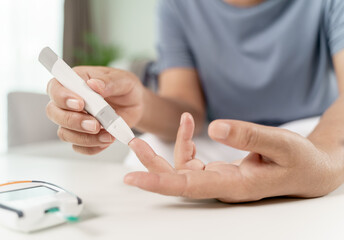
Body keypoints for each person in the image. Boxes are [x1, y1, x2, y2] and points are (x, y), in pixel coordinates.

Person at [46, 0, 344, 202]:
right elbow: (187, 111)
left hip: (314, 133)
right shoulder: (178, 5)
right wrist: (141, 105)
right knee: (150, 152)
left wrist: (322, 162)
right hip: (218, 138)